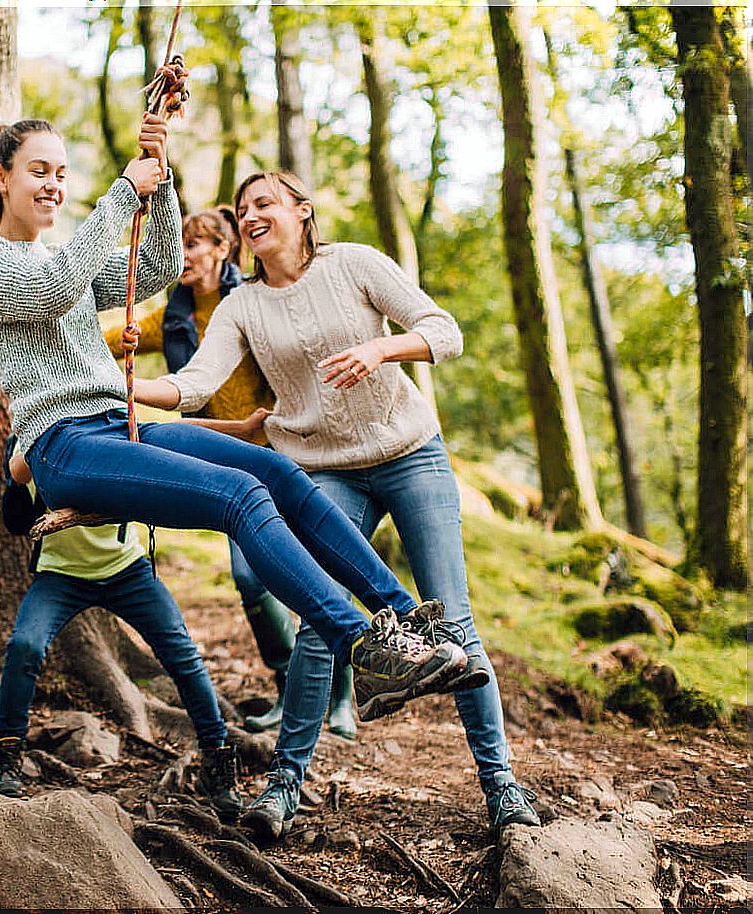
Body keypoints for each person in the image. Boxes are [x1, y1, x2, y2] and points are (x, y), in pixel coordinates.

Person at [0, 115, 468, 768]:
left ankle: (405, 620)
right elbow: (52, 296)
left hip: (120, 427)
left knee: (276, 474)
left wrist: (157, 176)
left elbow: (158, 265)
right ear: (0, 178)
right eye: (38, 171)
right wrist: (121, 192)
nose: (54, 185)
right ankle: (362, 647)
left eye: (61, 172)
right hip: (66, 446)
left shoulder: (60, 257)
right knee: (239, 494)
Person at [133, 170, 541, 840]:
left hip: (410, 454)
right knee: (318, 625)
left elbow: (444, 331)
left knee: (453, 618)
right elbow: (194, 384)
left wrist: (382, 347)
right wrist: (122, 385)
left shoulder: (353, 263)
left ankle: (500, 786)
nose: (251, 214)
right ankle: (282, 787)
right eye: (243, 209)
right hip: (322, 469)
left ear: (301, 210)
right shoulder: (242, 307)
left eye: (264, 203)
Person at [103, 207, 356, 740]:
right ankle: (292, 683)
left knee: (312, 569)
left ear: (222, 249)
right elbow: (99, 345)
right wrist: (115, 339)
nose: (184, 256)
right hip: (220, 457)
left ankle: (340, 695)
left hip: (285, 449)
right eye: (178, 246)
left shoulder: (251, 302)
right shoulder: (171, 316)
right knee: (251, 577)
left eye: (194, 245)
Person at [0, 437, 242, 819]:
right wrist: (17, 478)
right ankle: (5, 755)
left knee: (181, 652)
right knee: (25, 645)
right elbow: (16, 523)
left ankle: (217, 761)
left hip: (127, 571)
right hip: (60, 576)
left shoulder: (114, 435)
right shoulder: (26, 440)